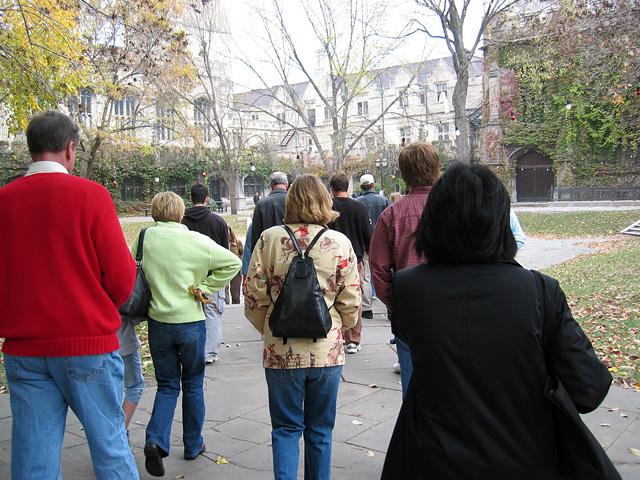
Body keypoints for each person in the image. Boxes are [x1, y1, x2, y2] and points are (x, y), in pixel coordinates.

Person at [381, 162, 612, 479]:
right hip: (525, 458)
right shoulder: (539, 292)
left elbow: (408, 335)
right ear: (500, 221)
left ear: (434, 220)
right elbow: (589, 389)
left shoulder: (409, 288)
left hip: (431, 459)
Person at [0, 110, 140, 479]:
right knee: (110, 447)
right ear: (70, 148)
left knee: (33, 458)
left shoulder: (4, 201)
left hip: (24, 348)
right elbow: (123, 278)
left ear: (31, 151)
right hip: (88, 344)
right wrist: (93, 307)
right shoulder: (90, 195)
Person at [244, 174, 360, 480]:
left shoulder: (269, 240)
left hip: (280, 351)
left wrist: (270, 329)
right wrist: (337, 327)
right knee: (320, 430)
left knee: (284, 428)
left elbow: (253, 298)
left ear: (291, 201)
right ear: (325, 201)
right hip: (327, 353)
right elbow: (351, 303)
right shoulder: (339, 243)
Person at [142, 191, 241, 477]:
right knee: (193, 384)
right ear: (179, 213)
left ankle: (155, 439)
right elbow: (232, 263)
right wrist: (205, 287)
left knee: (167, 385)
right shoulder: (194, 239)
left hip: (158, 321)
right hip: (190, 322)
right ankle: (192, 444)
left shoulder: (145, 238)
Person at [369, 141, 441, 397]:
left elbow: (377, 269)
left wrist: (394, 301)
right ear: (437, 167)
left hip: (410, 308)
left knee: (413, 391)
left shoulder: (392, 215)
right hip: (452, 306)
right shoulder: (456, 209)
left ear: (402, 173)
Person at [182, 182, 229, 364]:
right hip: (212, 277)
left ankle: (192, 351)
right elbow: (225, 252)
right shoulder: (217, 221)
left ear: (191, 199)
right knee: (212, 313)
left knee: (192, 314)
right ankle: (209, 353)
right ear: (207, 199)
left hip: (189, 277)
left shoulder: (183, 223)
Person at [328, 172, 372, 354]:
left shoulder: (327, 207)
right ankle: (353, 339)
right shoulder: (359, 207)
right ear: (348, 187)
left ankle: (336, 334)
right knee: (354, 298)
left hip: (331, 259)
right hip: (355, 260)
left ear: (331, 188)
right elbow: (367, 234)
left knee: (332, 297)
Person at [355, 173, 390, 319]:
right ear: (373, 185)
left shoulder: (358, 202)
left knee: (367, 276)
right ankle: (390, 307)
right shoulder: (384, 201)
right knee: (388, 273)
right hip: (384, 244)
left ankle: (367, 309)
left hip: (365, 244)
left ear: (362, 187)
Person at [117, 318, 145, 438]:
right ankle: (121, 431)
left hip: (95, 345)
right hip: (123, 340)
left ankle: (113, 433)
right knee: (135, 385)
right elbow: (133, 309)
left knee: (107, 392)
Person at [251, 171, 288, 250]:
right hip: (291, 250)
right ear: (287, 184)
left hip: (269, 251)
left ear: (271, 185)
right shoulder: (296, 201)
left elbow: (256, 236)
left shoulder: (261, 204)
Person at [227, 225, 243, 303]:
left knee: (235, 292)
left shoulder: (237, 242)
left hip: (236, 270)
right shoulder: (221, 243)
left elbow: (242, 253)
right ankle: (225, 306)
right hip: (225, 270)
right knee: (224, 291)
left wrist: (239, 261)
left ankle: (235, 305)